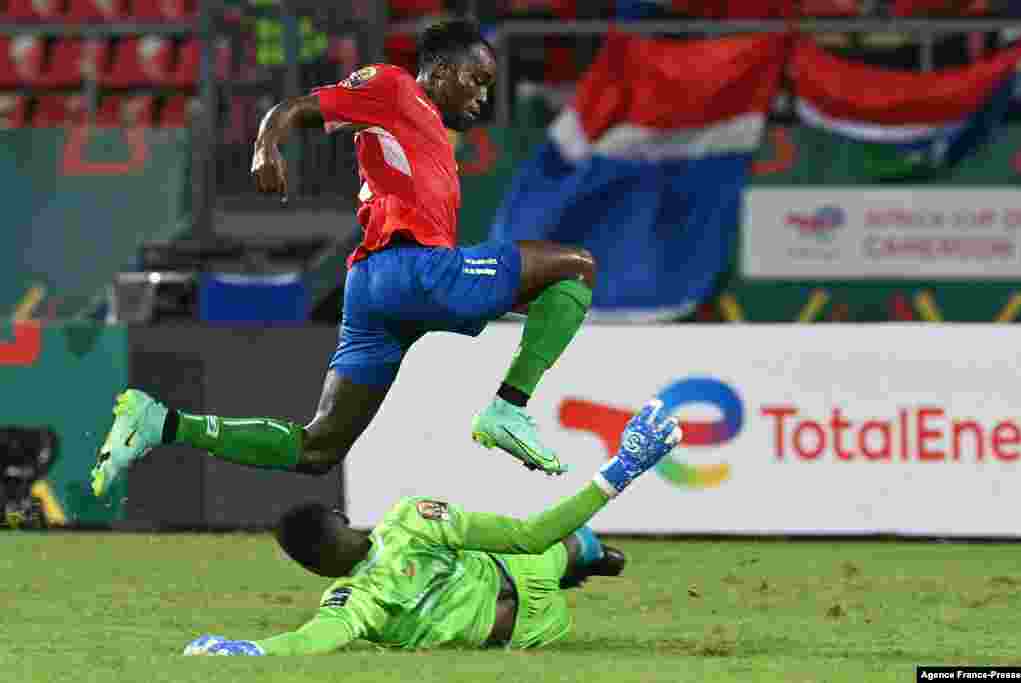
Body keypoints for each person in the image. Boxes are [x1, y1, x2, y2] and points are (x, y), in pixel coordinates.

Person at [90, 18, 596, 498]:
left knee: (318, 448)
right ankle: (508, 408)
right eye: (477, 79)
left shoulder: (428, 128)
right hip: (414, 271)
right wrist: (266, 147)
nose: (483, 95)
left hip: (372, 289)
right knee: (575, 270)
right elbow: (294, 108)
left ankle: (160, 422)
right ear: (441, 71)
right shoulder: (396, 87)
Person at [182, 400, 681, 655]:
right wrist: (620, 471)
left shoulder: (351, 599)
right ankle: (587, 558)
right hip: (521, 600)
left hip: (518, 627)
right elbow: (528, 533)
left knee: (559, 547)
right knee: (557, 544)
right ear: (336, 521)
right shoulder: (406, 522)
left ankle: (588, 559)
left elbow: (315, 639)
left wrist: (250, 650)